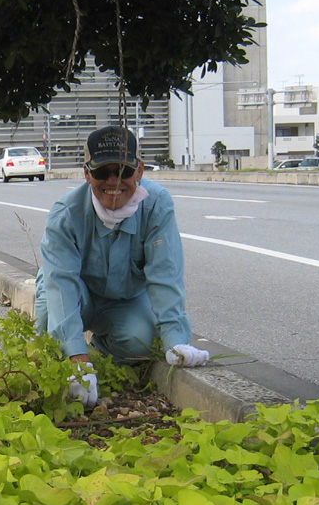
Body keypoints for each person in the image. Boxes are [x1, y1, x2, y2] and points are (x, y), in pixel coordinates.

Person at [35, 125, 210, 406]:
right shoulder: (65, 214)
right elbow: (61, 285)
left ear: (139, 171)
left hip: (125, 300)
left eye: (123, 171)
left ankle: (101, 355)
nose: (113, 181)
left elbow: (166, 274)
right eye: (102, 172)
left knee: (139, 342)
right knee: (49, 316)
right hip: (77, 295)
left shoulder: (157, 204)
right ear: (87, 174)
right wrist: (77, 361)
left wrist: (175, 341)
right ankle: (67, 363)